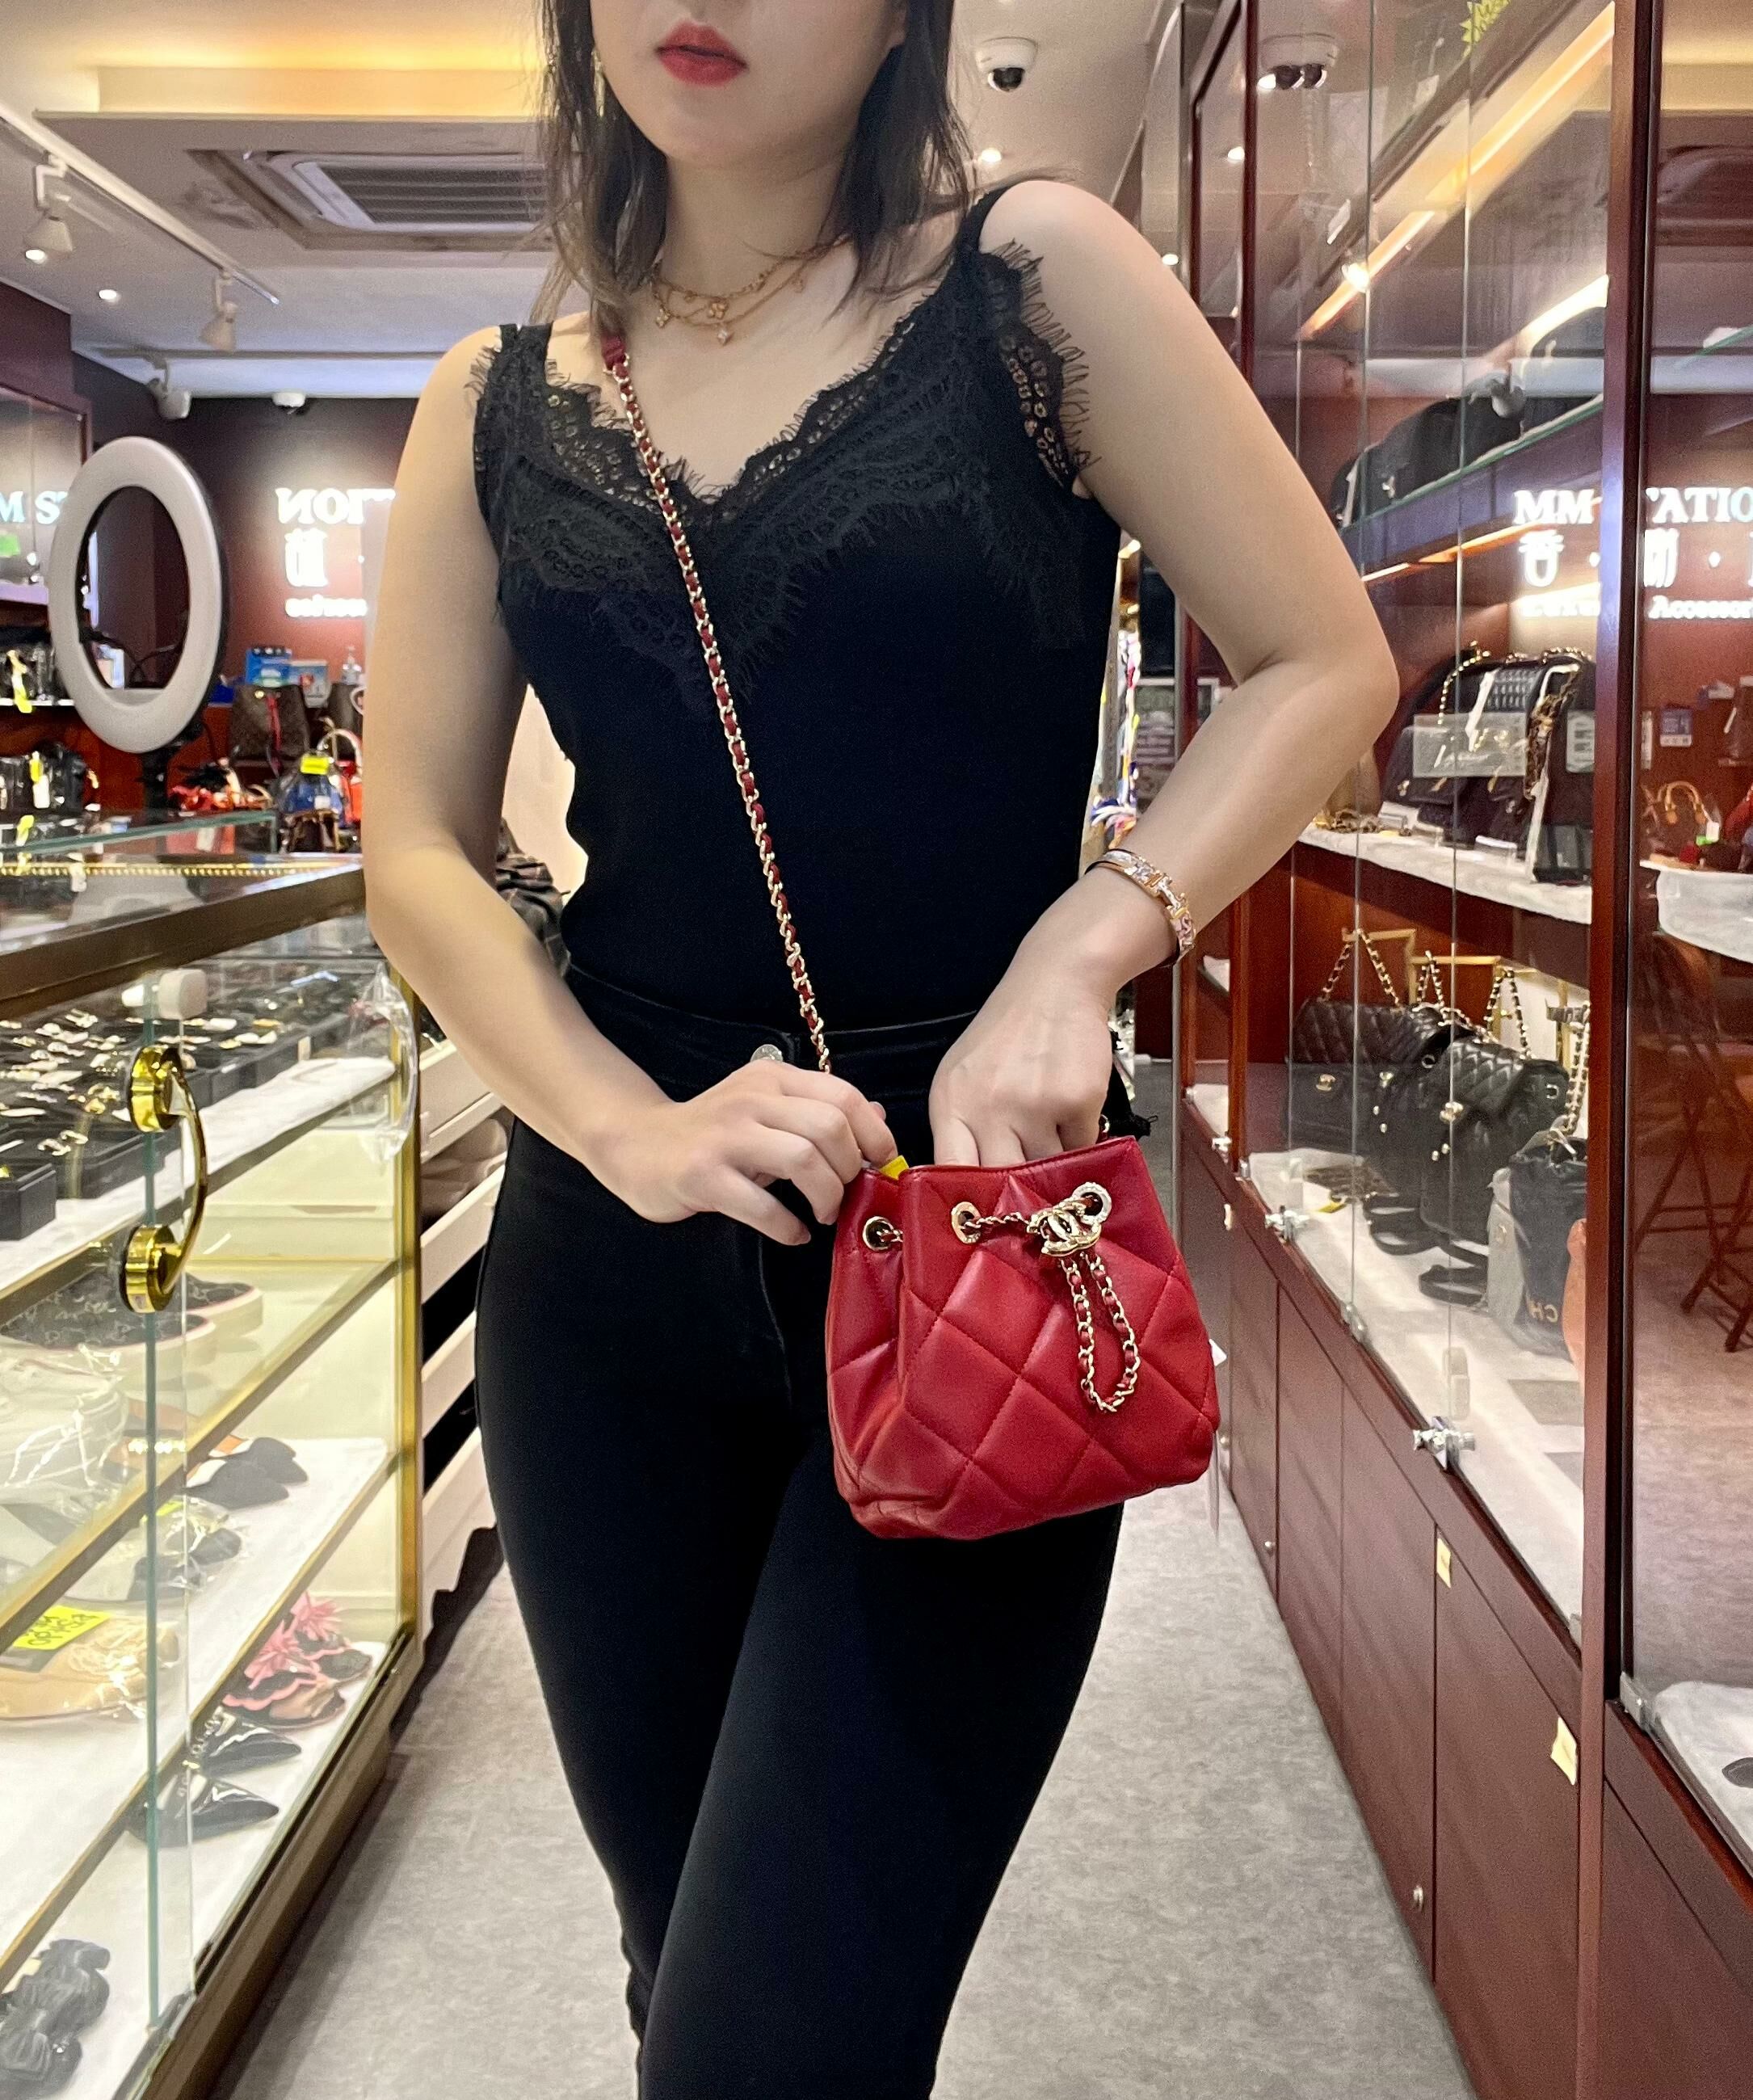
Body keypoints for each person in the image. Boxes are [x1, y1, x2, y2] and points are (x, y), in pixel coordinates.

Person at [364, 2, 1398, 2090]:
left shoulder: (1032, 281)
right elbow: (417, 851)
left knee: (773, 2044)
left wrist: (1080, 956)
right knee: (686, 1978)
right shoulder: (490, 405)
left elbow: (1320, 663)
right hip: (609, 1294)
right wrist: (629, 1130)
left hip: (976, 1247)